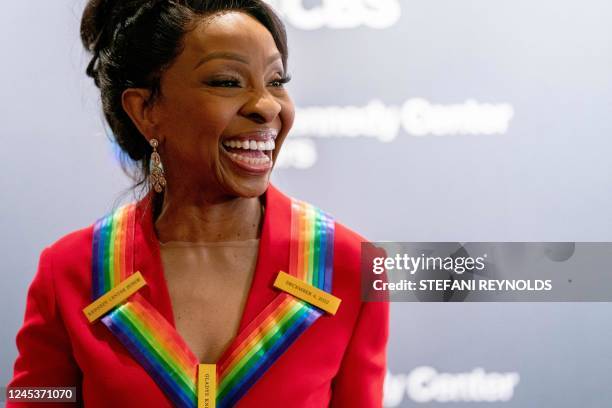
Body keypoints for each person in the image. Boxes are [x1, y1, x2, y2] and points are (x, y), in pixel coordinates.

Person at [7, 1, 389, 407]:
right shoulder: (70, 270)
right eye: (227, 82)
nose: (268, 106)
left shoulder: (352, 265)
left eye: (277, 80)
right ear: (145, 109)